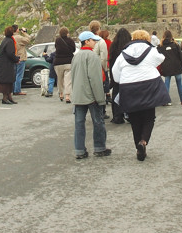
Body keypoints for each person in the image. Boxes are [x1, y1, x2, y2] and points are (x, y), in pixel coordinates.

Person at [112, 30, 171, 161]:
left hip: (129, 86)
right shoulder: (151, 50)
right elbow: (161, 58)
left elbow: (115, 73)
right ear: (147, 38)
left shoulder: (124, 53)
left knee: (134, 119)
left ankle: (138, 146)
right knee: (149, 117)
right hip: (148, 84)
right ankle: (143, 142)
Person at [70, 31, 112, 160]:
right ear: (87, 41)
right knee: (98, 121)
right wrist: (100, 98)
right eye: (93, 40)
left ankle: (79, 150)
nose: (95, 42)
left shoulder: (75, 56)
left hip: (78, 95)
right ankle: (99, 148)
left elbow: (73, 76)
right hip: (91, 95)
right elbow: (95, 79)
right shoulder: (92, 56)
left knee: (79, 123)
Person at [158, 29, 182, 105]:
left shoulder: (160, 46)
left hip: (166, 67)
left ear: (164, 36)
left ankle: (166, 100)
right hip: (177, 66)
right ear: (171, 36)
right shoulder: (175, 45)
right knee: (179, 84)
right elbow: (180, 57)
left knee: (167, 84)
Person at [108, 27, 132, 124]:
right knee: (130, 95)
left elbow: (111, 62)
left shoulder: (113, 47)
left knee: (116, 94)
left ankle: (117, 116)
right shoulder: (130, 47)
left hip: (117, 74)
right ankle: (130, 115)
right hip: (128, 75)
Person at [53, 27, 77, 103]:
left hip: (58, 62)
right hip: (68, 62)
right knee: (68, 80)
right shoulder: (70, 40)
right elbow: (74, 50)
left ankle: (61, 93)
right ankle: (67, 96)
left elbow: (56, 48)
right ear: (67, 33)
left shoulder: (57, 40)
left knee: (60, 79)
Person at [0, 26, 20, 104]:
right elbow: (10, 53)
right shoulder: (10, 41)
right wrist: (17, 59)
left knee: (9, 81)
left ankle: (9, 97)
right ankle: (5, 98)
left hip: (4, 63)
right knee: (7, 81)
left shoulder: (5, 40)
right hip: (7, 64)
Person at [12, 25, 30, 96]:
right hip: (21, 58)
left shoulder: (11, 37)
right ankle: (17, 90)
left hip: (14, 58)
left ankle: (14, 89)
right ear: (17, 30)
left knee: (15, 75)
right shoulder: (19, 37)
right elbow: (28, 40)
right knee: (19, 75)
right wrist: (24, 32)